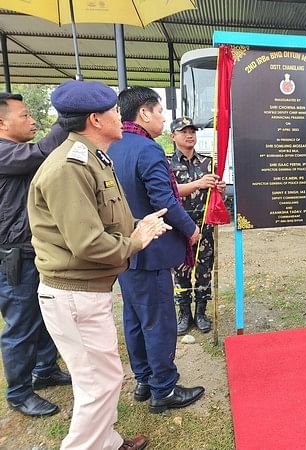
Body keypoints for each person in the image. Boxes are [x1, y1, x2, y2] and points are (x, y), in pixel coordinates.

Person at [28, 80, 170, 450]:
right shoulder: (68, 167)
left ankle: (106, 440)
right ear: (95, 119)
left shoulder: (93, 157)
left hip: (87, 291)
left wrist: (136, 226)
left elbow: (101, 221)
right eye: (112, 111)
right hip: (73, 294)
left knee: (103, 377)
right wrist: (135, 241)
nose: (120, 117)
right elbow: (87, 242)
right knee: (97, 382)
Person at [108, 87, 204, 414]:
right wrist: (191, 229)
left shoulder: (112, 147)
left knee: (134, 317)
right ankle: (164, 389)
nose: (163, 117)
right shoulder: (148, 150)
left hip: (124, 250)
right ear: (144, 113)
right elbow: (165, 201)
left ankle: (144, 380)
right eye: (160, 111)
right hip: (150, 250)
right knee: (158, 320)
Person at [0, 92, 71, 417]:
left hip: (33, 249)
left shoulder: (12, 151)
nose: (32, 121)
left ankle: (45, 370)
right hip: (14, 255)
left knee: (43, 313)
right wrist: (67, 119)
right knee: (21, 324)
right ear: (2, 122)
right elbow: (42, 152)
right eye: (25, 115)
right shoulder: (3, 153)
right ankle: (18, 392)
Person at [169, 117, 225, 335]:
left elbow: (216, 191)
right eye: (183, 131)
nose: (189, 135)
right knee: (181, 270)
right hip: (179, 226)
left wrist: (218, 186)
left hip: (204, 225)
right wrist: (198, 183)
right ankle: (184, 313)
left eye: (192, 131)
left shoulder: (207, 162)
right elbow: (169, 192)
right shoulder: (166, 163)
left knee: (204, 270)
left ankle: (201, 312)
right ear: (173, 136)